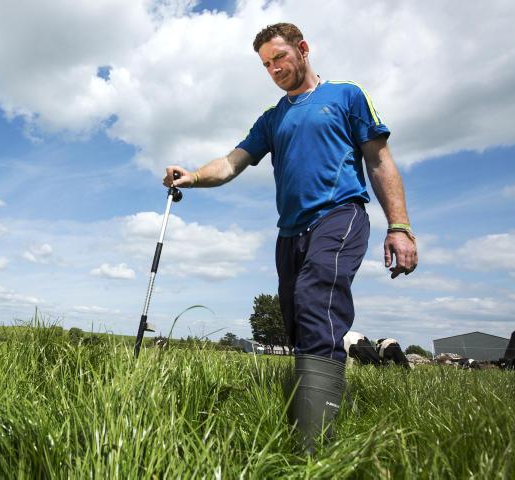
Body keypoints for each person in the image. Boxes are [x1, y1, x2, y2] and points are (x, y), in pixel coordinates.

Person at [162, 22, 417, 451]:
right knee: (298, 319)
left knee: (316, 299)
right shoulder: (272, 118)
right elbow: (230, 163)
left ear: (303, 49)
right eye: (266, 64)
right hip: (290, 232)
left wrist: (400, 227)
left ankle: (313, 449)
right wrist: (193, 176)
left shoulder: (346, 95)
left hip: (340, 214)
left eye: (279, 57)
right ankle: (315, 411)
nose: (274, 69)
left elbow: (379, 161)